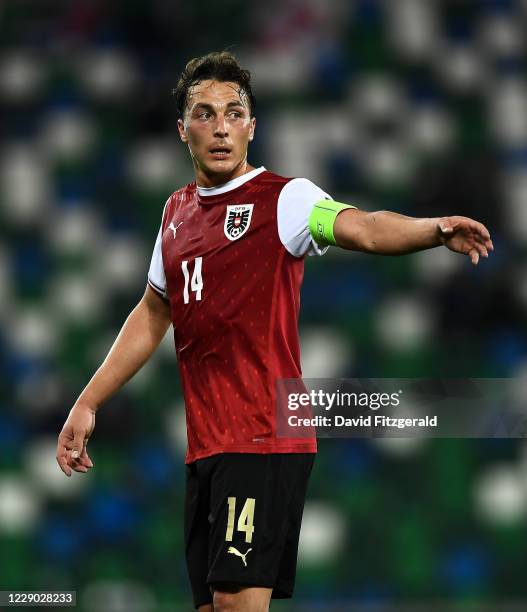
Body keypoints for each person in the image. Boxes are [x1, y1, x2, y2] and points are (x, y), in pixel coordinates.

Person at [56, 51, 493, 612]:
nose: (220, 128)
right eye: (205, 114)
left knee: (239, 606)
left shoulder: (285, 201)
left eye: (234, 113)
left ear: (252, 126)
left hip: (262, 436)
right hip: (208, 445)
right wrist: (88, 401)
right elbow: (152, 311)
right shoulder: (176, 213)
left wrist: (432, 230)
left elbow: (362, 227)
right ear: (182, 129)